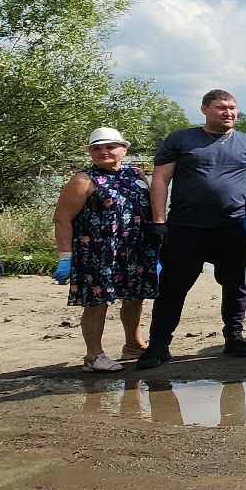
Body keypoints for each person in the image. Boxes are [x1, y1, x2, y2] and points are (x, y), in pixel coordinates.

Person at [140, 90, 246, 369]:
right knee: (173, 287)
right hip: (186, 227)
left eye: (232, 108)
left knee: (235, 284)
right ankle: (158, 345)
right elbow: (160, 180)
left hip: (235, 226)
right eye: (221, 108)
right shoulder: (180, 140)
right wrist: (158, 221)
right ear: (204, 109)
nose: (228, 113)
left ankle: (234, 336)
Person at [51, 127, 156, 371]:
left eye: (110, 147)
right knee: (98, 301)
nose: (103, 152)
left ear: (124, 149)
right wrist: (65, 257)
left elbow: (148, 210)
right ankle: (93, 356)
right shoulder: (83, 180)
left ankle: (133, 344)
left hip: (134, 248)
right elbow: (62, 219)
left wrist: (157, 248)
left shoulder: (136, 174)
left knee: (134, 297)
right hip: (98, 252)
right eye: (96, 148)